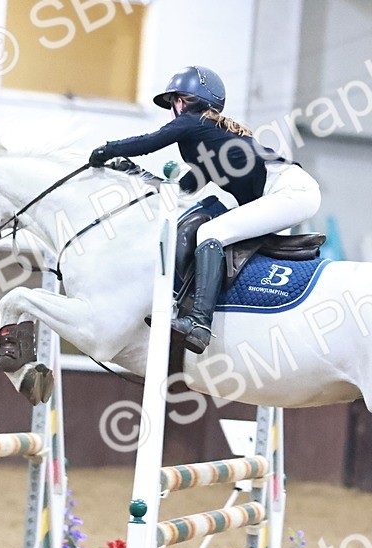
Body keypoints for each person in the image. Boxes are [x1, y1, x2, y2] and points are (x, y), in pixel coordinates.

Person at [88, 66, 321, 354]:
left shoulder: (191, 122)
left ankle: (199, 323)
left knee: (211, 231)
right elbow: (182, 190)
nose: (173, 109)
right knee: (217, 229)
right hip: (293, 191)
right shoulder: (211, 140)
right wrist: (136, 173)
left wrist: (107, 149)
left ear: (183, 101)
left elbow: (148, 142)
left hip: (290, 191)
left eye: (174, 101)